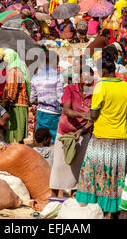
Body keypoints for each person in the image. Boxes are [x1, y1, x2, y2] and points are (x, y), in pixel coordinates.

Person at [75, 51, 127, 219]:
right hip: (121, 140)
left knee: (97, 177)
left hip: (101, 139)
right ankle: (115, 212)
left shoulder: (101, 86)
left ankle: (102, 213)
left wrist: (87, 116)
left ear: (103, 71)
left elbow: (93, 116)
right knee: (117, 178)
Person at [50, 65, 94, 197]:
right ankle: (53, 196)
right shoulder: (70, 89)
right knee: (58, 165)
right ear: (79, 77)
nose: (86, 79)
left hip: (82, 134)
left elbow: (92, 119)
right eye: (84, 76)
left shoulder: (93, 93)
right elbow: (66, 110)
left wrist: (81, 130)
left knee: (77, 167)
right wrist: (82, 115)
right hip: (64, 132)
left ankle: (73, 197)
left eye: (89, 77)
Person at [30, 50, 65, 143]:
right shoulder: (58, 77)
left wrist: (42, 101)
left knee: (41, 140)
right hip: (54, 114)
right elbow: (60, 98)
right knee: (53, 141)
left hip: (41, 112)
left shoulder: (35, 77)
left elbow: (32, 99)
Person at [3, 48, 30, 144]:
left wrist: (6, 103)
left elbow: (12, 90)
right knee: (19, 132)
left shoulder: (13, 71)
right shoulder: (18, 69)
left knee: (16, 131)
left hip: (16, 104)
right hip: (20, 103)